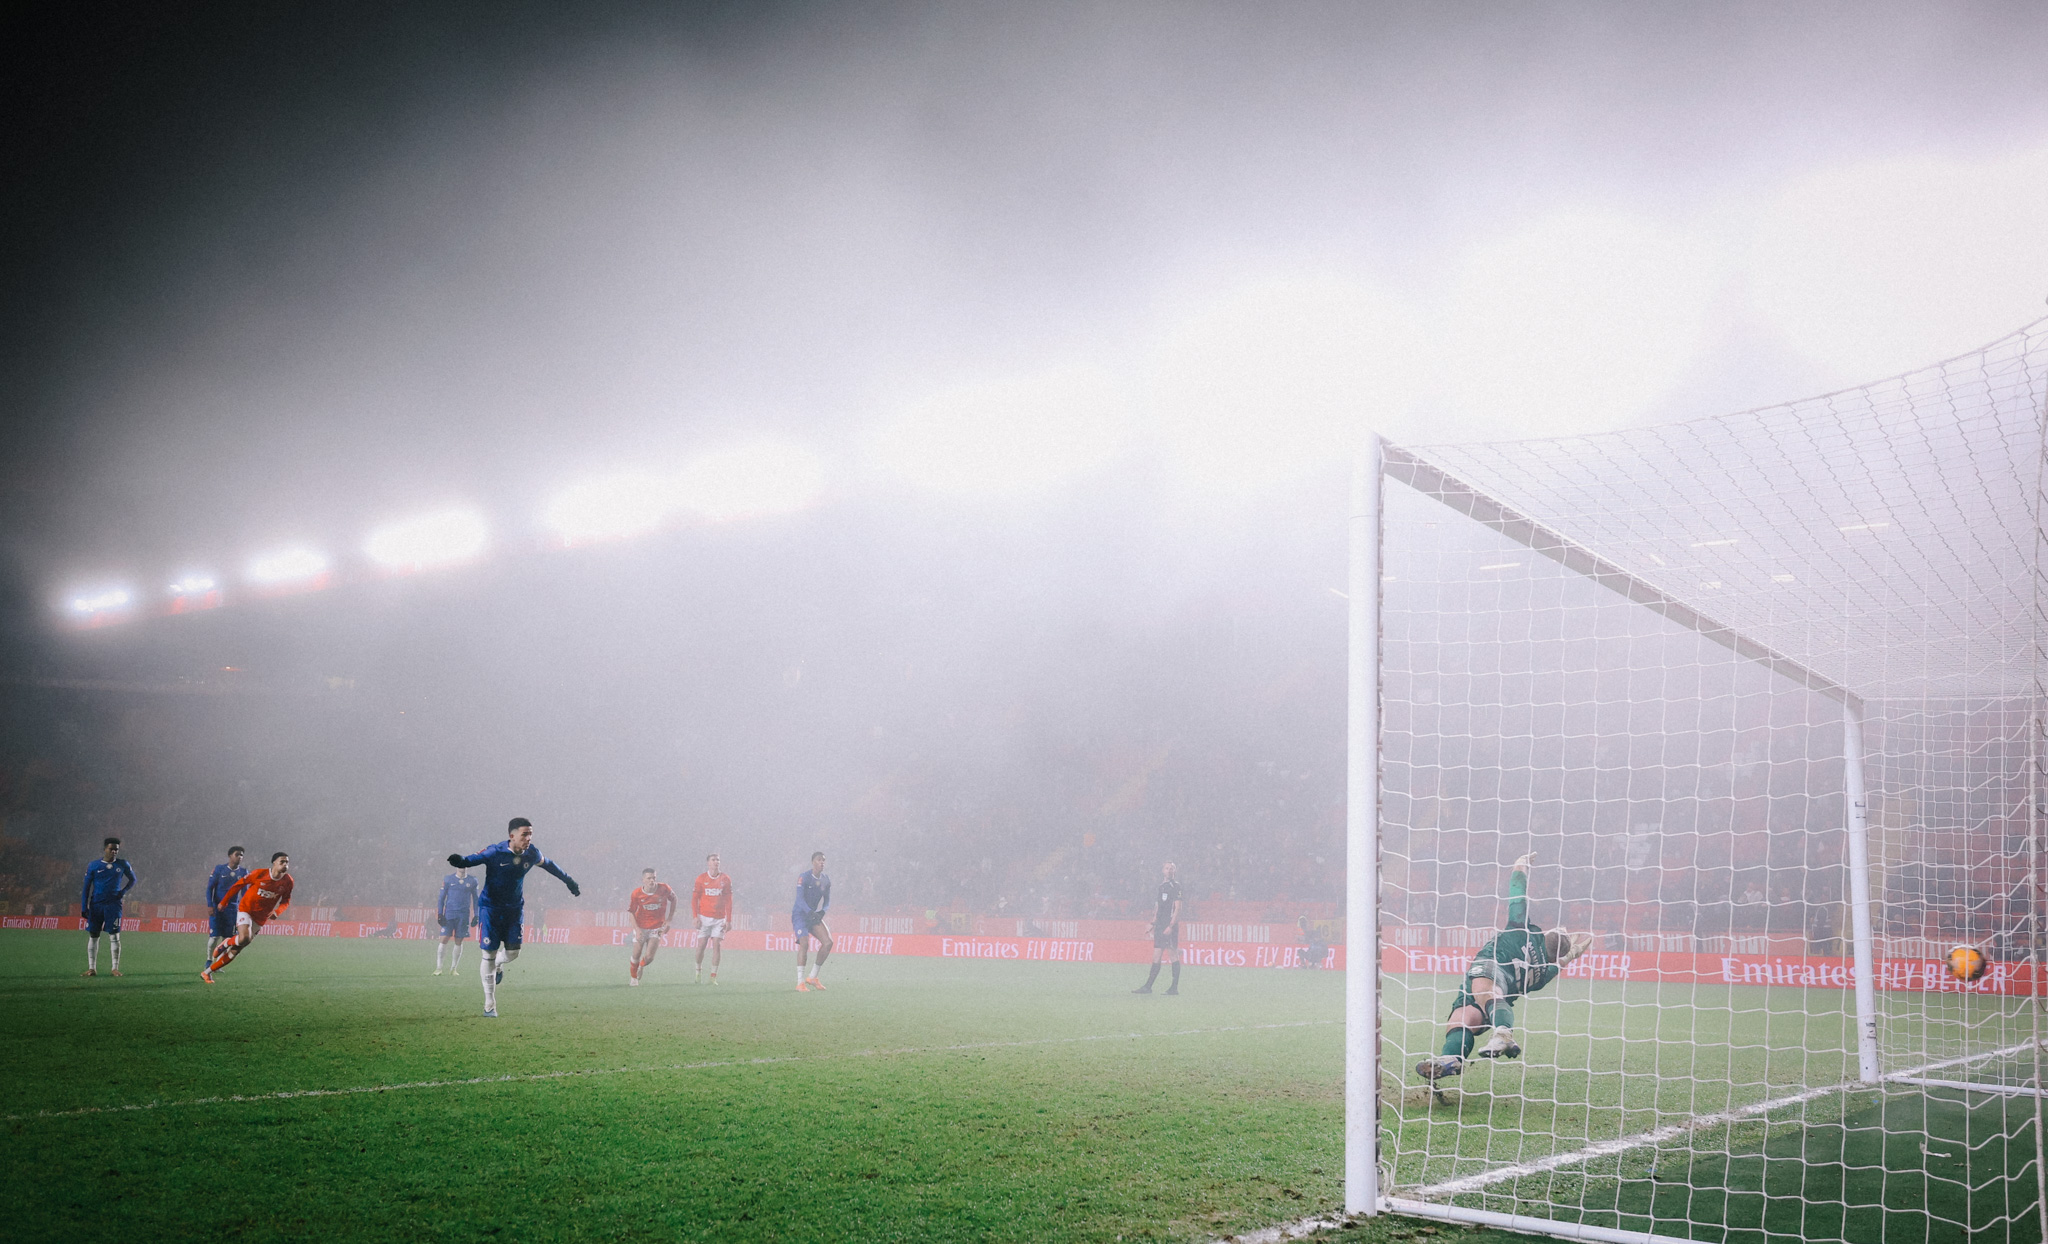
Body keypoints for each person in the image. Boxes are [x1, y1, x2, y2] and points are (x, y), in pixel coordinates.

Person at [1415, 852, 1592, 1089]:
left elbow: (1517, 894)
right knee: (1464, 1018)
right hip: (1497, 1005)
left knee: (1480, 993)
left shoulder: (1521, 929)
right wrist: (1572, 954)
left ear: (1544, 935)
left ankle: (1503, 1034)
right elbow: (1562, 961)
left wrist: (1520, 866)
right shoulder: (1544, 974)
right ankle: (1452, 1059)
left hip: (1490, 971)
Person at [446, 817, 580, 1018]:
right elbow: (471, 860)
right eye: (525, 834)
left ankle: (500, 963)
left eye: (530, 834)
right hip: (490, 908)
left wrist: (568, 880)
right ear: (512, 836)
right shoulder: (495, 851)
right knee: (488, 953)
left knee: (513, 953)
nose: (528, 838)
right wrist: (461, 861)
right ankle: (489, 1004)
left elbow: (550, 865)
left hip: (514, 910)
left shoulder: (532, 853)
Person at [202, 852, 294, 982]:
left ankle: (207, 972)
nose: (285, 865)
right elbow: (238, 885)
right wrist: (224, 901)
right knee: (245, 937)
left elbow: (286, 901)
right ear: (274, 862)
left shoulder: (288, 881)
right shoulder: (260, 874)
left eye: (287, 862)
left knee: (238, 948)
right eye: (282, 862)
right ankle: (226, 942)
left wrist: (277, 912)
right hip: (246, 909)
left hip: (260, 917)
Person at [81, 837, 137, 978]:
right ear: (105, 849)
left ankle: (115, 968)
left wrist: (122, 892)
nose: (114, 852)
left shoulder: (122, 864)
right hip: (96, 904)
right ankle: (92, 968)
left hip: (113, 905)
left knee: (115, 936)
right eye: (111, 849)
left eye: (116, 849)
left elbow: (133, 879)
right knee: (94, 935)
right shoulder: (94, 865)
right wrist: (84, 906)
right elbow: (86, 887)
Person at [1133, 861, 1182, 995]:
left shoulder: (1176, 886)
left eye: (1172, 868)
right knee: (1156, 956)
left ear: (1174, 872)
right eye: (1167, 868)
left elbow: (1178, 908)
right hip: (1160, 926)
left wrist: (1171, 926)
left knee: (1173, 955)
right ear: (1163, 871)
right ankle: (1148, 987)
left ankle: (1174, 988)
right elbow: (1159, 907)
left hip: (1169, 926)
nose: (1169, 870)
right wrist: (1153, 923)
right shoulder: (1161, 887)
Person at [625, 867, 677, 986]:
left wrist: (669, 920)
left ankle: (641, 966)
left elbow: (674, 900)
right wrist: (637, 930)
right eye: (649, 878)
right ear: (643, 880)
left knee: (649, 957)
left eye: (654, 878)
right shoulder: (637, 894)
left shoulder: (664, 888)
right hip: (641, 926)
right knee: (636, 953)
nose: (652, 880)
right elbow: (631, 912)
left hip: (657, 927)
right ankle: (633, 979)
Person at [792, 851, 832, 991]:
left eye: (824, 860)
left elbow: (827, 900)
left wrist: (823, 911)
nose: (822, 862)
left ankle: (813, 977)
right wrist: (809, 911)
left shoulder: (826, 879)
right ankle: (800, 982)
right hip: (801, 915)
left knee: (828, 943)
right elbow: (799, 899)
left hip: (813, 915)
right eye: (819, 860)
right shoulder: (804, 877)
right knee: (804, 943)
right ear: (813, 862)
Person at [431, 865, 481, 976]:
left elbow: (476, 899)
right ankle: (439, 968)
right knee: (443, 939)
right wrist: (440, 914)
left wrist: (476, 915)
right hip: (449, 914)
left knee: (459, 941)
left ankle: (453, 968)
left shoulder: (472, 880)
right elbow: (441, 897)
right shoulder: (448, 879)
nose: (462, 866)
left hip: (463, 915)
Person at [692, 852, 733, 984]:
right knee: (701, 945)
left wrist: (729, 920)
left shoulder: (725, 879)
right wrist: (695, 916)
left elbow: (729, 900)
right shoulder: (701, 878)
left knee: (717, 945)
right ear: (708, 863)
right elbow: (694, 899)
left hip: (719, 919)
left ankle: (713, 977)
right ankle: (698, 971)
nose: (716, 862)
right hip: (704, 918)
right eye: (713, 860)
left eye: (718, 860)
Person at [204, 846, 247, 966]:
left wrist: (243, 910)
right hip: (217, 908)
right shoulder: (219, 869)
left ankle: (218, 964)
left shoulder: (243, 872)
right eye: (237, 854)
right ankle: (209, 960)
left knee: (227, 938)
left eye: (241, 855)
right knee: (214, 936)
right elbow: (210, 888)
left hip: (232, 910)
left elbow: (245, 894)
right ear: (230, 856)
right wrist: (210, 905)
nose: (240, 857)